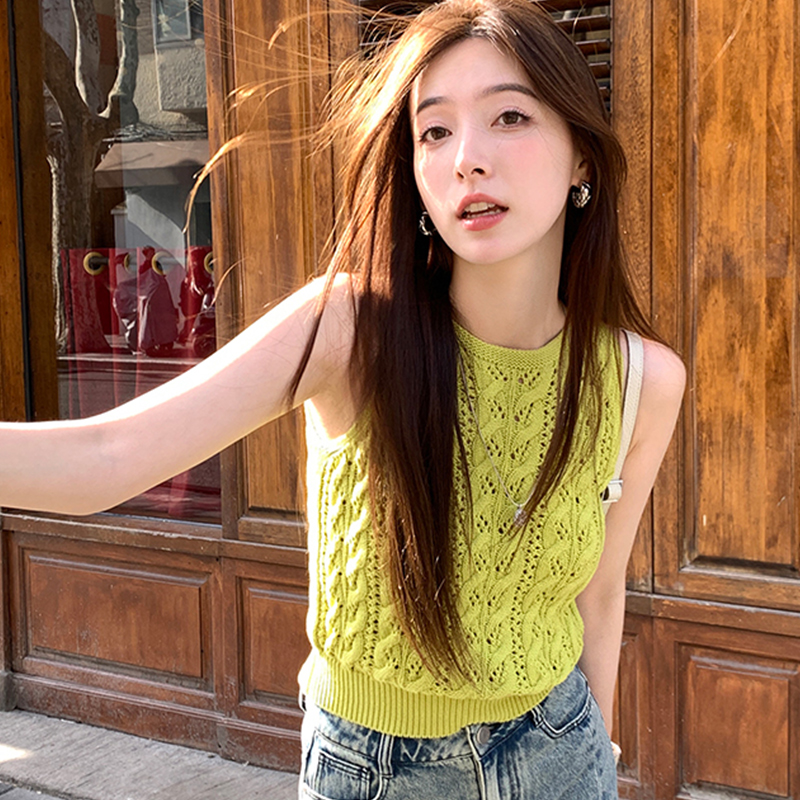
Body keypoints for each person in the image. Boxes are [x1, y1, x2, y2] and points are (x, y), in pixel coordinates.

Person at [0, 0, 685, 797]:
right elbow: (106, 458)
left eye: (510, 117)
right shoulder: (349, 331)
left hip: (562, 754)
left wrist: (596, 756)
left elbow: (599, 592)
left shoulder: (641, 379)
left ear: (582, 162)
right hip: (374, 771)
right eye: (435, 131)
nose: (467, 159)